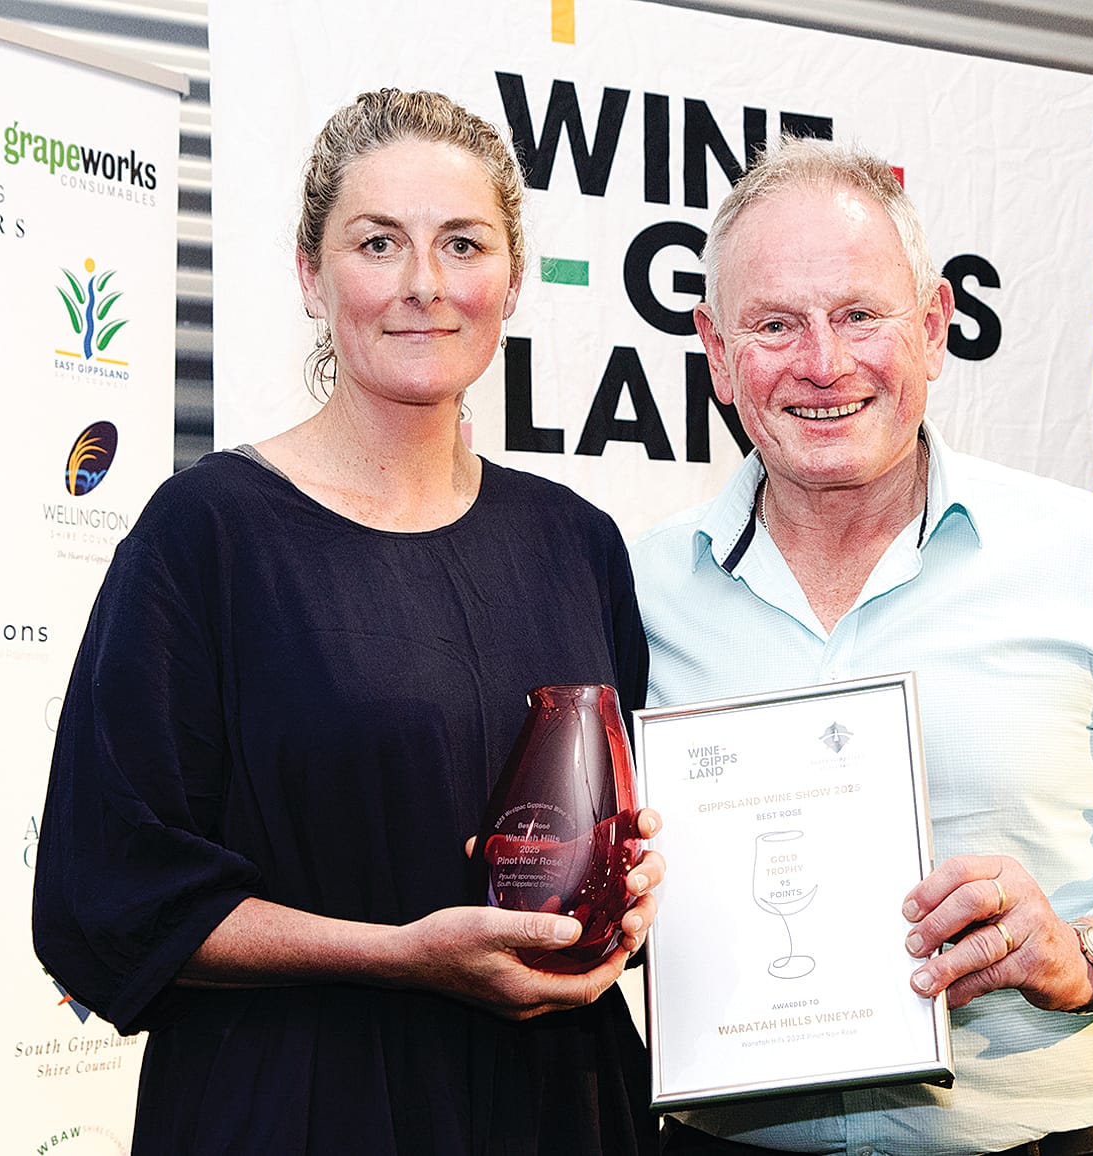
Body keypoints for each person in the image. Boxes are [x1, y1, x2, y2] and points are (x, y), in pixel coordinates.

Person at [32, 89, 665, 1155]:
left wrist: (632, 893)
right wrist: (400, 953)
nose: (425, 284)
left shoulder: (577, 540)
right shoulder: (208, 533)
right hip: (300, 1103)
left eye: (462, 243)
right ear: (310, 275)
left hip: (560, 1102)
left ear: (510, 279)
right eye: (380, 242)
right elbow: (111, 889)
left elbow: (621, 820)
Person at [632, 137, 1093, 1156]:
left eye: (859, 315)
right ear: (716, 350)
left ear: (933, 327)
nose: (822, 363)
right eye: (774, 324)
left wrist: (1089, 954)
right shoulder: (633, 587)